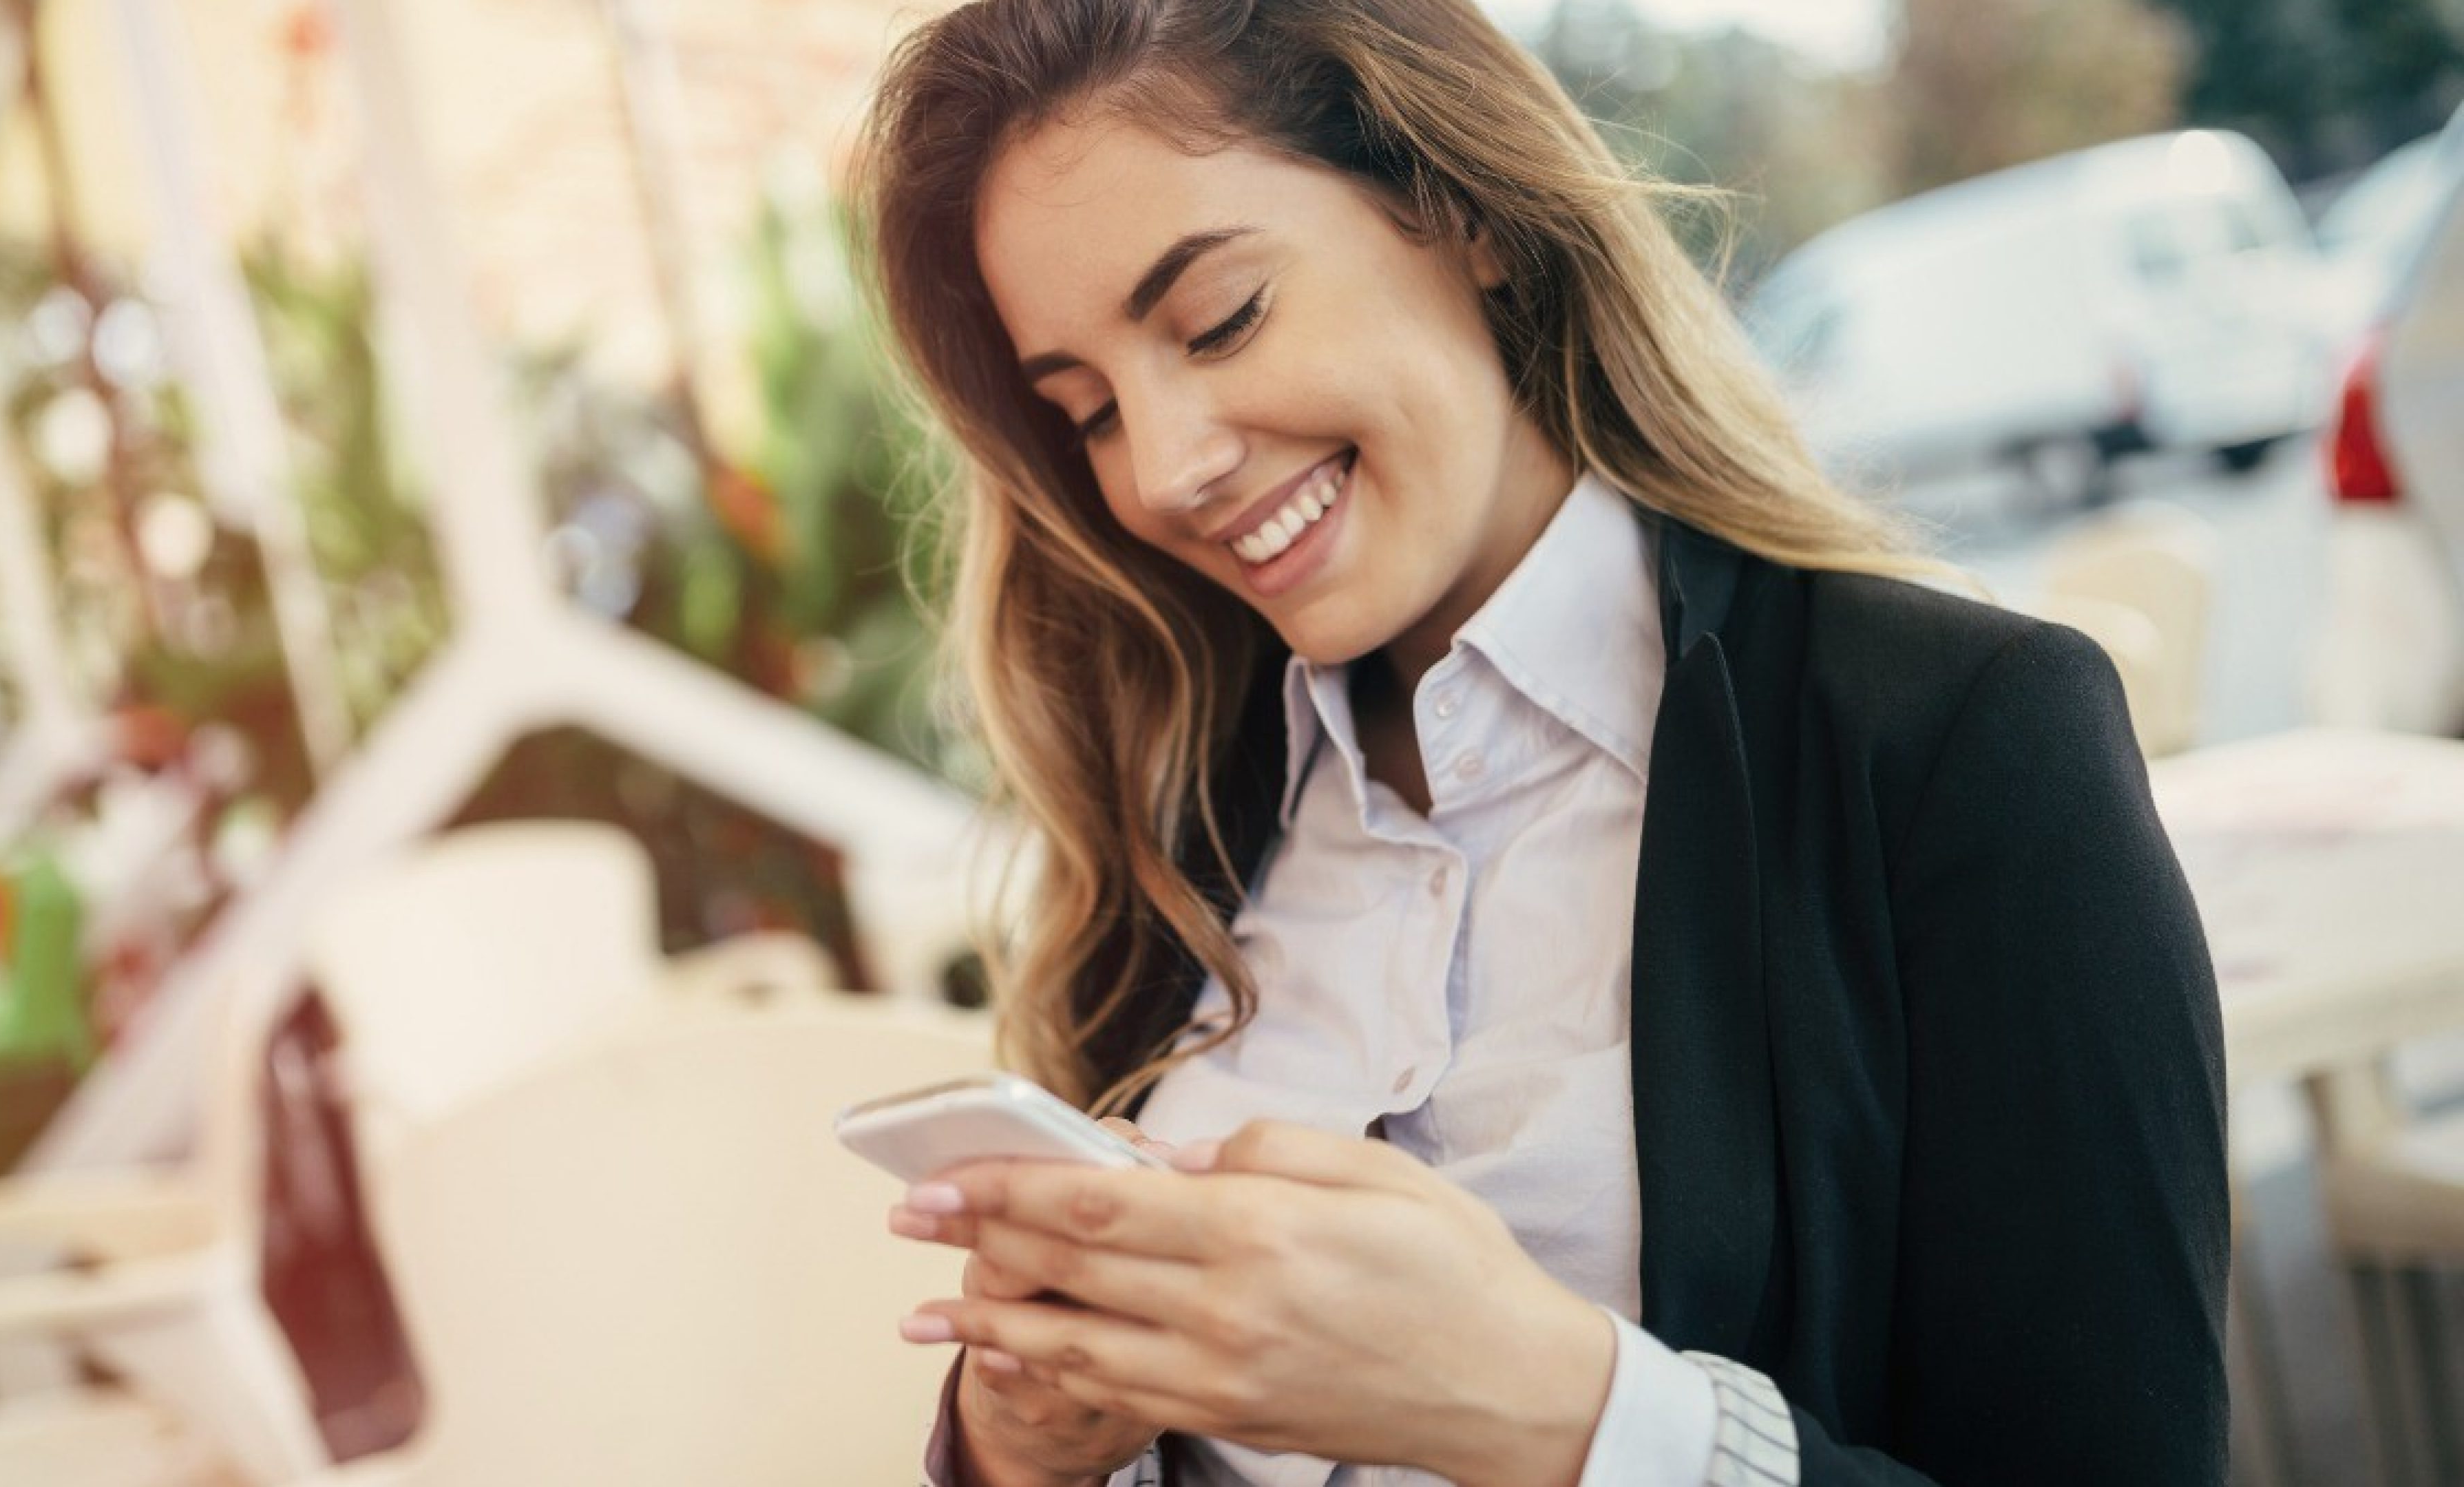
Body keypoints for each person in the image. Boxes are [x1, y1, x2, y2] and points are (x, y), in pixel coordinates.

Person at [853, 1, 2230, 1484]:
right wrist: (1020, 1451)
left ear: (1464, 211)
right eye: (1089, 411)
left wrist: (1564, 1410)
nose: (1168, 467)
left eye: (1220, 320)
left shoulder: (1956, 748)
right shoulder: (1174, 827)